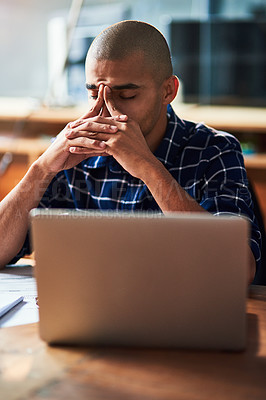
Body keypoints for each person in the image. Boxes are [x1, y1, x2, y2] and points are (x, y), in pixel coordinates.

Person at [0, 20, 261, 283]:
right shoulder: (74, 153)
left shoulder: (215, 150)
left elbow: (238, 271)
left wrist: (149, 168)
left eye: (125, 96)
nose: (105, 110)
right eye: (94, 95)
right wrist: (41, 169)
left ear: (168, 91)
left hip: (186, 317)